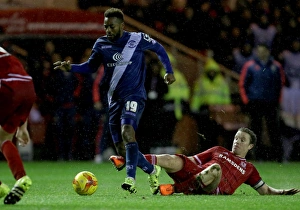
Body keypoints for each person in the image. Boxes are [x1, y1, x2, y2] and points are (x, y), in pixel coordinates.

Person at [53, 8, 175, 194]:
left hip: (135, 95)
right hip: (114, 99)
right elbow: (91, 67)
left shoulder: (136, 39)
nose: (108, 30)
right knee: (121, 150)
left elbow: (159, 49)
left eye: (111, 26)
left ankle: (130, 179)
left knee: (128, 133)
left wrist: (168, 71)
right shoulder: (101, 44)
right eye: (105, 26)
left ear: (122, 25)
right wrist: (72, 68)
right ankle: (151, 169)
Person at [110, 127, 300, 196]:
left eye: (242, 140)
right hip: (197, 174)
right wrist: (179, 162)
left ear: (250, 147)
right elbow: (192, 160)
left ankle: (177, 189)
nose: (237, 142)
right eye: (236, 138)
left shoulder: (249, 169)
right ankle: (128, 160)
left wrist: (281, 192)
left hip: (213, 187)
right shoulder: (219, 150)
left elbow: (265, 190)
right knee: (173, 158)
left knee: (215, 168)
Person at [0, 46, 35, 204]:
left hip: (7, 87)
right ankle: (21, 178)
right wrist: (22, 127)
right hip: (27, 88)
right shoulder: (6, 54)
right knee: (3, 139)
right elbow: (21, 83)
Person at [239, 44, 285, 161]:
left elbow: (280, 84)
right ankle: (257, 156)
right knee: (255, 130)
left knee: (273, 130)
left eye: (263, 51)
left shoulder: (276, 66)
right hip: (255, 102)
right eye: (259, 51)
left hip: (271, 102)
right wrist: (246, 101)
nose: (261, 53)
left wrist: (278, 100)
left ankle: (277, 156)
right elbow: (243, 84)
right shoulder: (250, 66)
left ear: (268, 51)